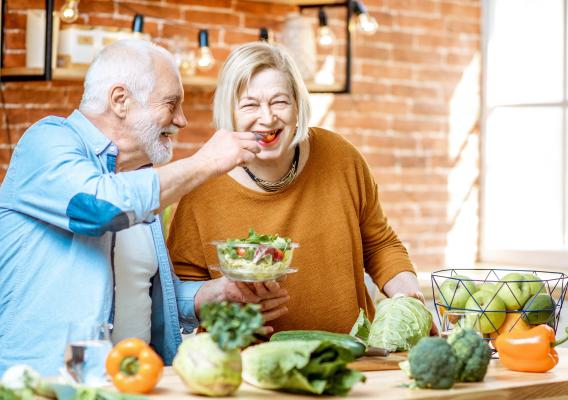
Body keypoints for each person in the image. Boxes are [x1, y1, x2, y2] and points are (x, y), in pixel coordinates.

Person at [0, 38, 276, 376]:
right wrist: (207, 161)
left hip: (136, 382)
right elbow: (98, 208)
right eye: (172, 104)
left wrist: (216, 294)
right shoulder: (46, 142)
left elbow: (151, 295)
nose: (182, 120)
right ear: (120, 100)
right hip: (47, 383)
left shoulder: (139, 180)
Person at [167, 41, 428, 334]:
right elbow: (183, 289)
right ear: (231, 111)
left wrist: (410, 299)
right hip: (248, 363)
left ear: (297, 104)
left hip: (354, 359)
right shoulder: (202, 185)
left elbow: (380, 245)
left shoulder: (340, 157)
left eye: (279, 101)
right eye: (250, 104)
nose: (267, 118)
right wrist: (227, 306)